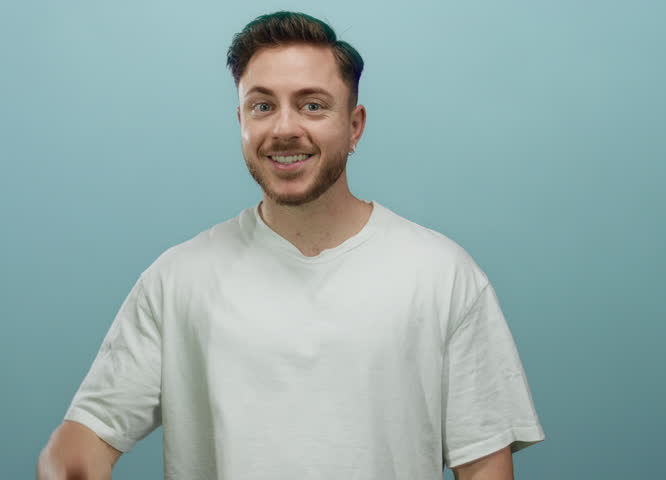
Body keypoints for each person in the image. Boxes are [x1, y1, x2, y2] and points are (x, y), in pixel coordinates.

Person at [37, 11, 545, 480]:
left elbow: (483, 466)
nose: (284, 128)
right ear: (241, 122)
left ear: (354, 126)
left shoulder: (441, 274)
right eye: (262, 106)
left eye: (312, 105)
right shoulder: (178, 280)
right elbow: (84, 439)